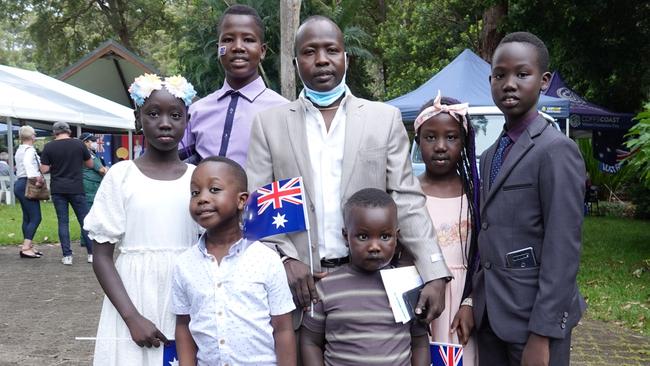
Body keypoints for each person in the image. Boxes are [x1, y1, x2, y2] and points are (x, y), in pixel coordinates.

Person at [246, 15, 451, 327]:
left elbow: (407, 201)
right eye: (310, 51)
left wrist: (434, 271)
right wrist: (285, 260)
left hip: (372, 284)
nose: (322, 60)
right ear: (295, 61)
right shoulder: (268, 124)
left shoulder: (384, 119)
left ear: (346, 57)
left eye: (331, 50)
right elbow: (258, 207)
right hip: (301, 290)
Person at [473, 32, 586, 366]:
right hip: (491, 316)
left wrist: (543, 333)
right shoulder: (490, 155)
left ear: (544, 81)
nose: (509, 83)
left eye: (522, 74)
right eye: (500, 75)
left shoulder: (556, 150)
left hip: (533, 323)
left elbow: (563, 248)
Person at [84, 74, 201, 366]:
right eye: (153, 114)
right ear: (139, 119)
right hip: (133, 297)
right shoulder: (121, 176)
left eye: (175, 115)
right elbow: (102, 257)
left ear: (186, 121)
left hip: (186, 297)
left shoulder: (197, 178)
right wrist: (132, 317)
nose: (164, 122)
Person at [172, 156, 296, 365]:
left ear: (241, 200)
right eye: (195, 192)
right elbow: (184, 325)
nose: (202, 198)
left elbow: (283, 329)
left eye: (214, 189)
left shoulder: (266, 260)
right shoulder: (184, 264)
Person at [300, 188, 430, 366]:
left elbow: (420, 343)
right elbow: (310, 342)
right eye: (363, 236)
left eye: (385, 236)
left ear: (396, 237)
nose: (374, 246)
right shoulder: (326, 288)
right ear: (346, 237)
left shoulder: (407, 286)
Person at [413, 91, 479, 365]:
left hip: (464, 303)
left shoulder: (476, 195)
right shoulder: (408, 194)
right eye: (431, 137)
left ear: (463, 142)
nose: (441, 146)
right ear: (417, 141)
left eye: (451, 137)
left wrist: (470, 303)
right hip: (422, 297)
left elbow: (483, 257)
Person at [179, 4, 288, 167]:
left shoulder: (283, 111)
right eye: (228, 40)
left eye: (249, 40)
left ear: (263, 50)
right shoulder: (196, 111)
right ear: (218, 49)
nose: (237, 47)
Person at [40, 121, 94, 265]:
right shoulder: (79, 144)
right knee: (84, 221)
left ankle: (67, 256)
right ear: (69, 131)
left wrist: (54, 165)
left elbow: (44, 169)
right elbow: (90, 164)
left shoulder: (49, 146)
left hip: (58, 189)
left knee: (63, 222)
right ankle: (91, 254)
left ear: (54, 132)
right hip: (76, 187)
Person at [13, 126, 44, 258]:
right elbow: (28, 164)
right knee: (36, 217)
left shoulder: (19, 150)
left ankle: (28, 245)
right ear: (32, 136)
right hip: (28, 182)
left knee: (27, 217)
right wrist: (35, 178)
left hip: (19, 183)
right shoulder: (29, 150)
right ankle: (26, 247)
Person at [79, 132, 107, 251]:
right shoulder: (89, 155)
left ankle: (85, 238)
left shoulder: (85, 153)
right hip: (90, 186)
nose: (94, 143)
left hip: (89, 185)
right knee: (90, 212)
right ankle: (86, 239)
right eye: (92, 141)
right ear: (85, 142)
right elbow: (101, 170)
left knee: (87, 213)